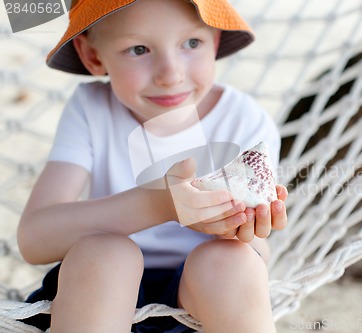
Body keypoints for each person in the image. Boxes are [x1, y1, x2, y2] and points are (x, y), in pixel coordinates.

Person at [16, 0, 288, 332]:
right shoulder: (90, 109)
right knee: (106, 254)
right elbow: (34, 239)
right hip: (92, 301)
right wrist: (159, 204)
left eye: (192, 43)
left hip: (202, 305)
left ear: (214, 40)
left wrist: (243, 228)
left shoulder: (243, 119)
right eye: (139, 49)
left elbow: (259, 252)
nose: (171, 75)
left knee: (232, 261)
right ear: (92, 55)